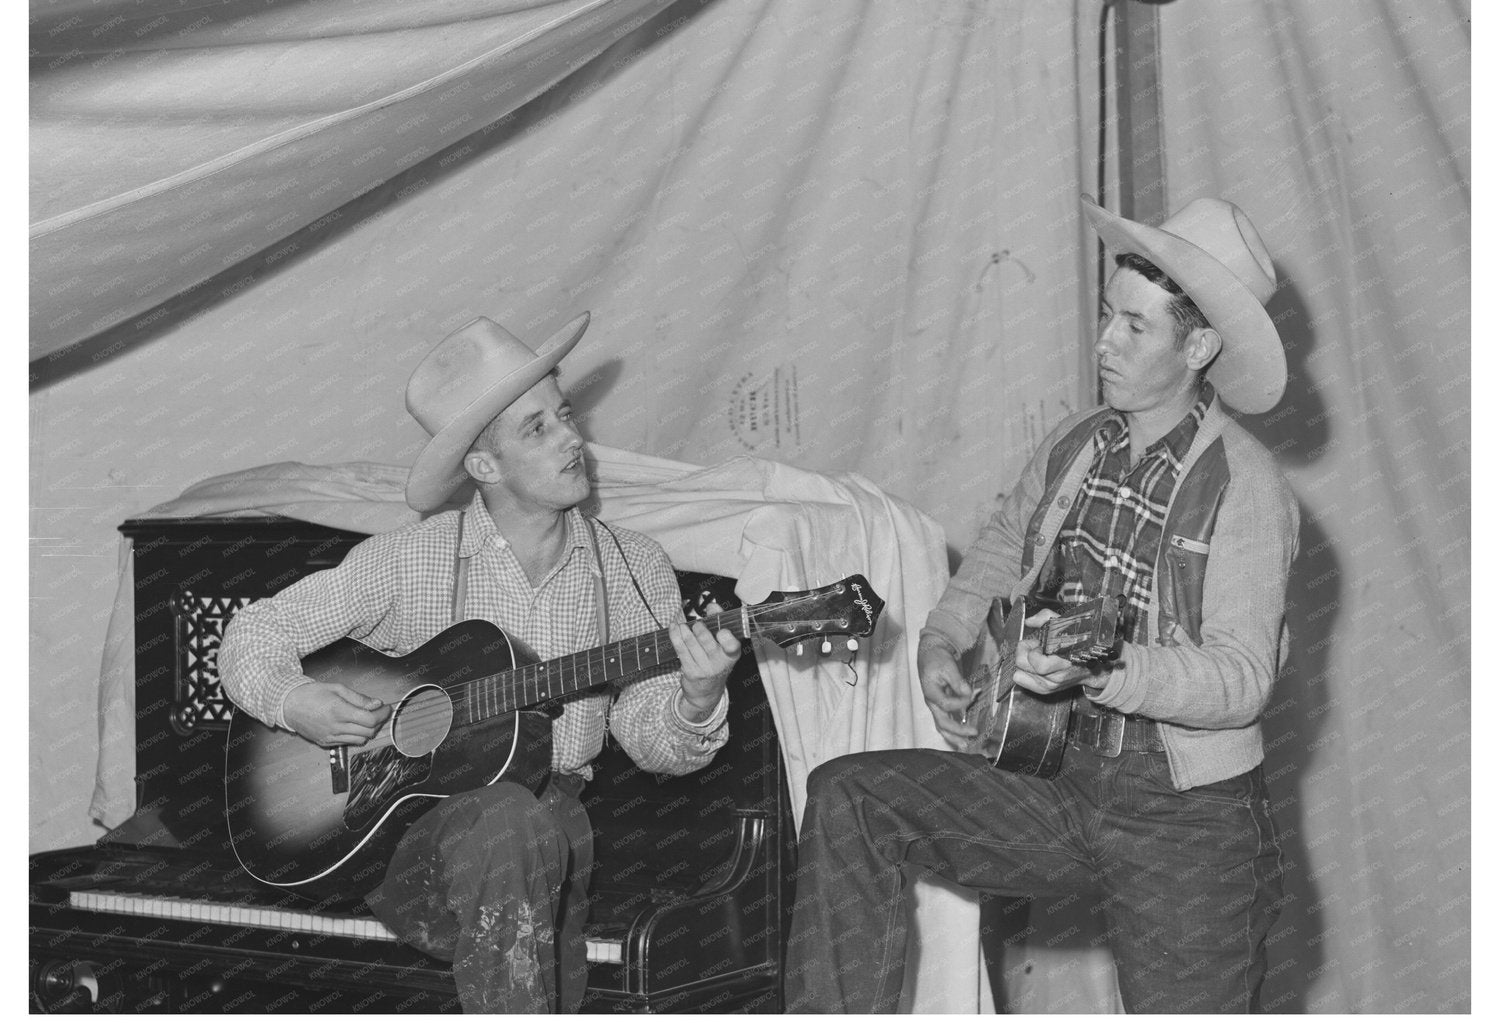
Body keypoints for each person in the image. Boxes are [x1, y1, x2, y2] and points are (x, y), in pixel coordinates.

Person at [784, 196, 1299, 1013]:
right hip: (1059, 776)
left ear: (1197, 346)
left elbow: (1240, 683)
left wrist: (1106, 667)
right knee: (852, 796)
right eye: (1106, 316)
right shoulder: (1076, 443)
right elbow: (996, 552)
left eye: (1135, 326)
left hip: (1191, 821)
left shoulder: (1248, 487)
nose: (1104, 343)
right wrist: (940, 641)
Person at [217, 312, 741, 1014]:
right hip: (407, 840)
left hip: (555, 831)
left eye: (565, 416)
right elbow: (254, 632)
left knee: (521, 819)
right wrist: (293, 701)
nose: (572, 441)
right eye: (538, 429)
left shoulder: (631, 565)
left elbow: (653, 740)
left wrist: (696, 699)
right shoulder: (409, 559)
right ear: (483, 466)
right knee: (505, 819)